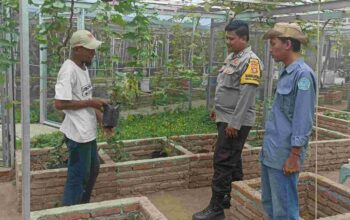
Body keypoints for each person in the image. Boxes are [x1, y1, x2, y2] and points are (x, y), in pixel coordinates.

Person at [193, 20, 263, 220]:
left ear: (243, 38)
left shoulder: (251, 61)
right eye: (227, 38)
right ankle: (231, 196)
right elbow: (226, 86)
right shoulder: (233, 57)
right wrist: (218, 109)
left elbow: (246, 95)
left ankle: (215, 209)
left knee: (222, 161)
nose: (228, 42)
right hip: (227, 117)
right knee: (233, 159)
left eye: (231, 38)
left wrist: (234, 123)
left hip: (235, 121)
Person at [261, 23, 316, 220]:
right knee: (270, 204)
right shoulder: (286, 72)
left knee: (285, 210)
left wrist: (294, 155)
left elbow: (303, 117)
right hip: (272, 150)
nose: (270, 49)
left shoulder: (303, 75)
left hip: (285, 154)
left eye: (273, 43)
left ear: (288, 44)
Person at [54, 30, 112, 206]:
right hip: (78, 134)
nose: (93, 52)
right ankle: (69, 212)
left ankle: (82, 206)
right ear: (78, 49)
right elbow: (59, 104)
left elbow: (84, 99)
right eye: (90, 49)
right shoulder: (68, 70)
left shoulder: (83, 67)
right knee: (78, 177)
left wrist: (102, 119)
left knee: (93, 169)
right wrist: (92, 102)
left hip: (87, 131)